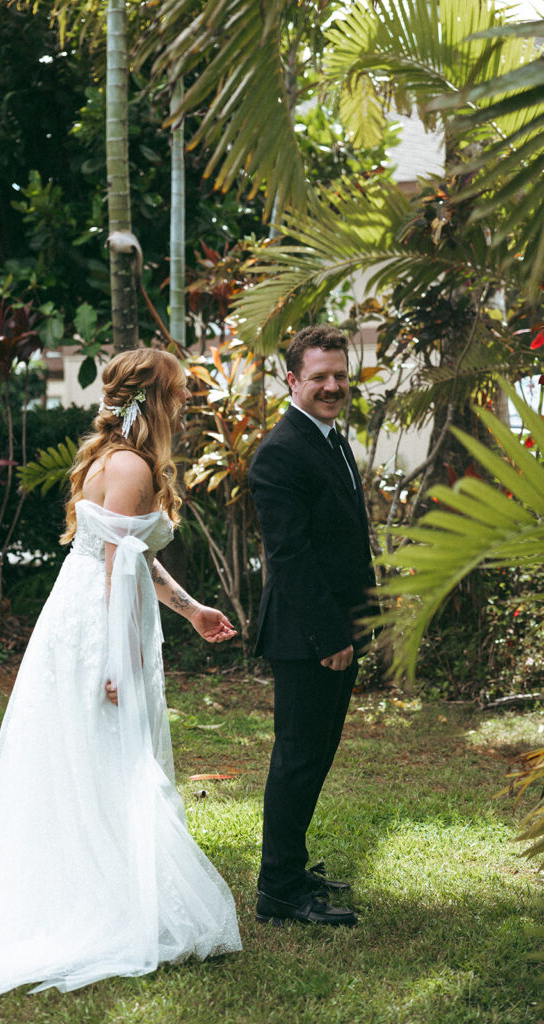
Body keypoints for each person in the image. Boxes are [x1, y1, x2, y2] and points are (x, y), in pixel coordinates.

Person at [0, 348, 241, 996]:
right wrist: (114, 661)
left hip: (77, 625)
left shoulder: (108, 459)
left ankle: (102, 883)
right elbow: (114, 574)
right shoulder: (130, 467)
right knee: (105, 760)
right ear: (154, 399)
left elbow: (131, 558)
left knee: (89, 761)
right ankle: (99, 902)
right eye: (178, 393)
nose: (185, 403)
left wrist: (190, 609)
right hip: (93, 631)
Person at [248, 325, 377, 929]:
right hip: (308, 637)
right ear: (292, 380)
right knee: (298, 758)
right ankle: (277, 888)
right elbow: (291, 558)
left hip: (338, 630)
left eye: (339, 375)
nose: (332, 386)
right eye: (319, 376)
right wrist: (331, 638)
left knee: (317, 754)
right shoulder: (280, 452)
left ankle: (292, 869)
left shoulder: (328, 436)